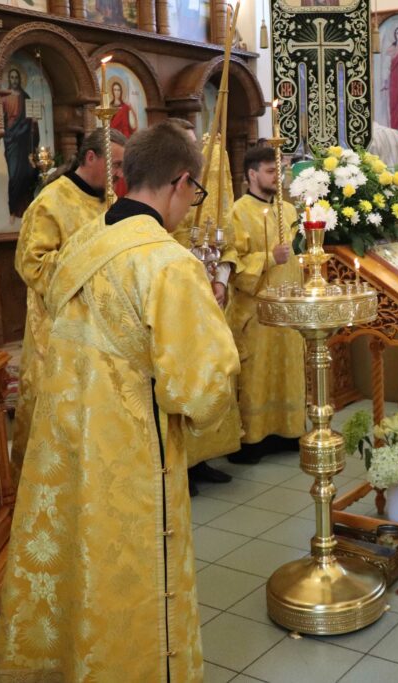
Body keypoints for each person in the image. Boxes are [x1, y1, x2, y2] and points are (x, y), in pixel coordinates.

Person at [0, 121, 239, 682]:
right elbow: (200, 388)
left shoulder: (86, 241)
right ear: (181, 182)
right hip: (131, 455)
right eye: (195, 193)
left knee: (75, 558)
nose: (191, 206)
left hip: (67, 441)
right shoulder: (168, 263)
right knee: (129, 569)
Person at [10, 127, 126, 481]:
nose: (120, 174)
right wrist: (90, 270)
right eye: (116, 164)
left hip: (102, 328)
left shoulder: (110, 202)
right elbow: (31, 264)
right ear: (91, 157)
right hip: (57, 331)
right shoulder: (51, 201)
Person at [167, 118, 240, 492]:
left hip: (210, 297)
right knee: (185, 377)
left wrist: (220, 280)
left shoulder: (206, 191)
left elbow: (228, 243)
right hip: (180, 303)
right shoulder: (166, 196)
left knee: (211, 373)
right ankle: (183, 465)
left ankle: (204, 458)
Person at [225, 144, 305, 463]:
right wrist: (269, 257)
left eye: (280, 171)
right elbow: (232, 264)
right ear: (252, 174)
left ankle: (289, 430)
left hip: (288, 309)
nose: (278, 177)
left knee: (288, 371)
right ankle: (253, 440)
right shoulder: (237, 212)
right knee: (255, 376)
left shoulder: (289, 211)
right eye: (271, 171)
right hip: (255, 314)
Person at [2, 66, 40, 218]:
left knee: (26, 174)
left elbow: (32, 120)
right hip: (11, 139)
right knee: (13, 176)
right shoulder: (3, 97)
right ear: (8, 79)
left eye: (16, 77)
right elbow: (0, 119)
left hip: (24, 140)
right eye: (12, 77)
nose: (14, 80)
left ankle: (26, 210)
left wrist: (34, 123)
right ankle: (12, 210)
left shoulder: (26, 97)